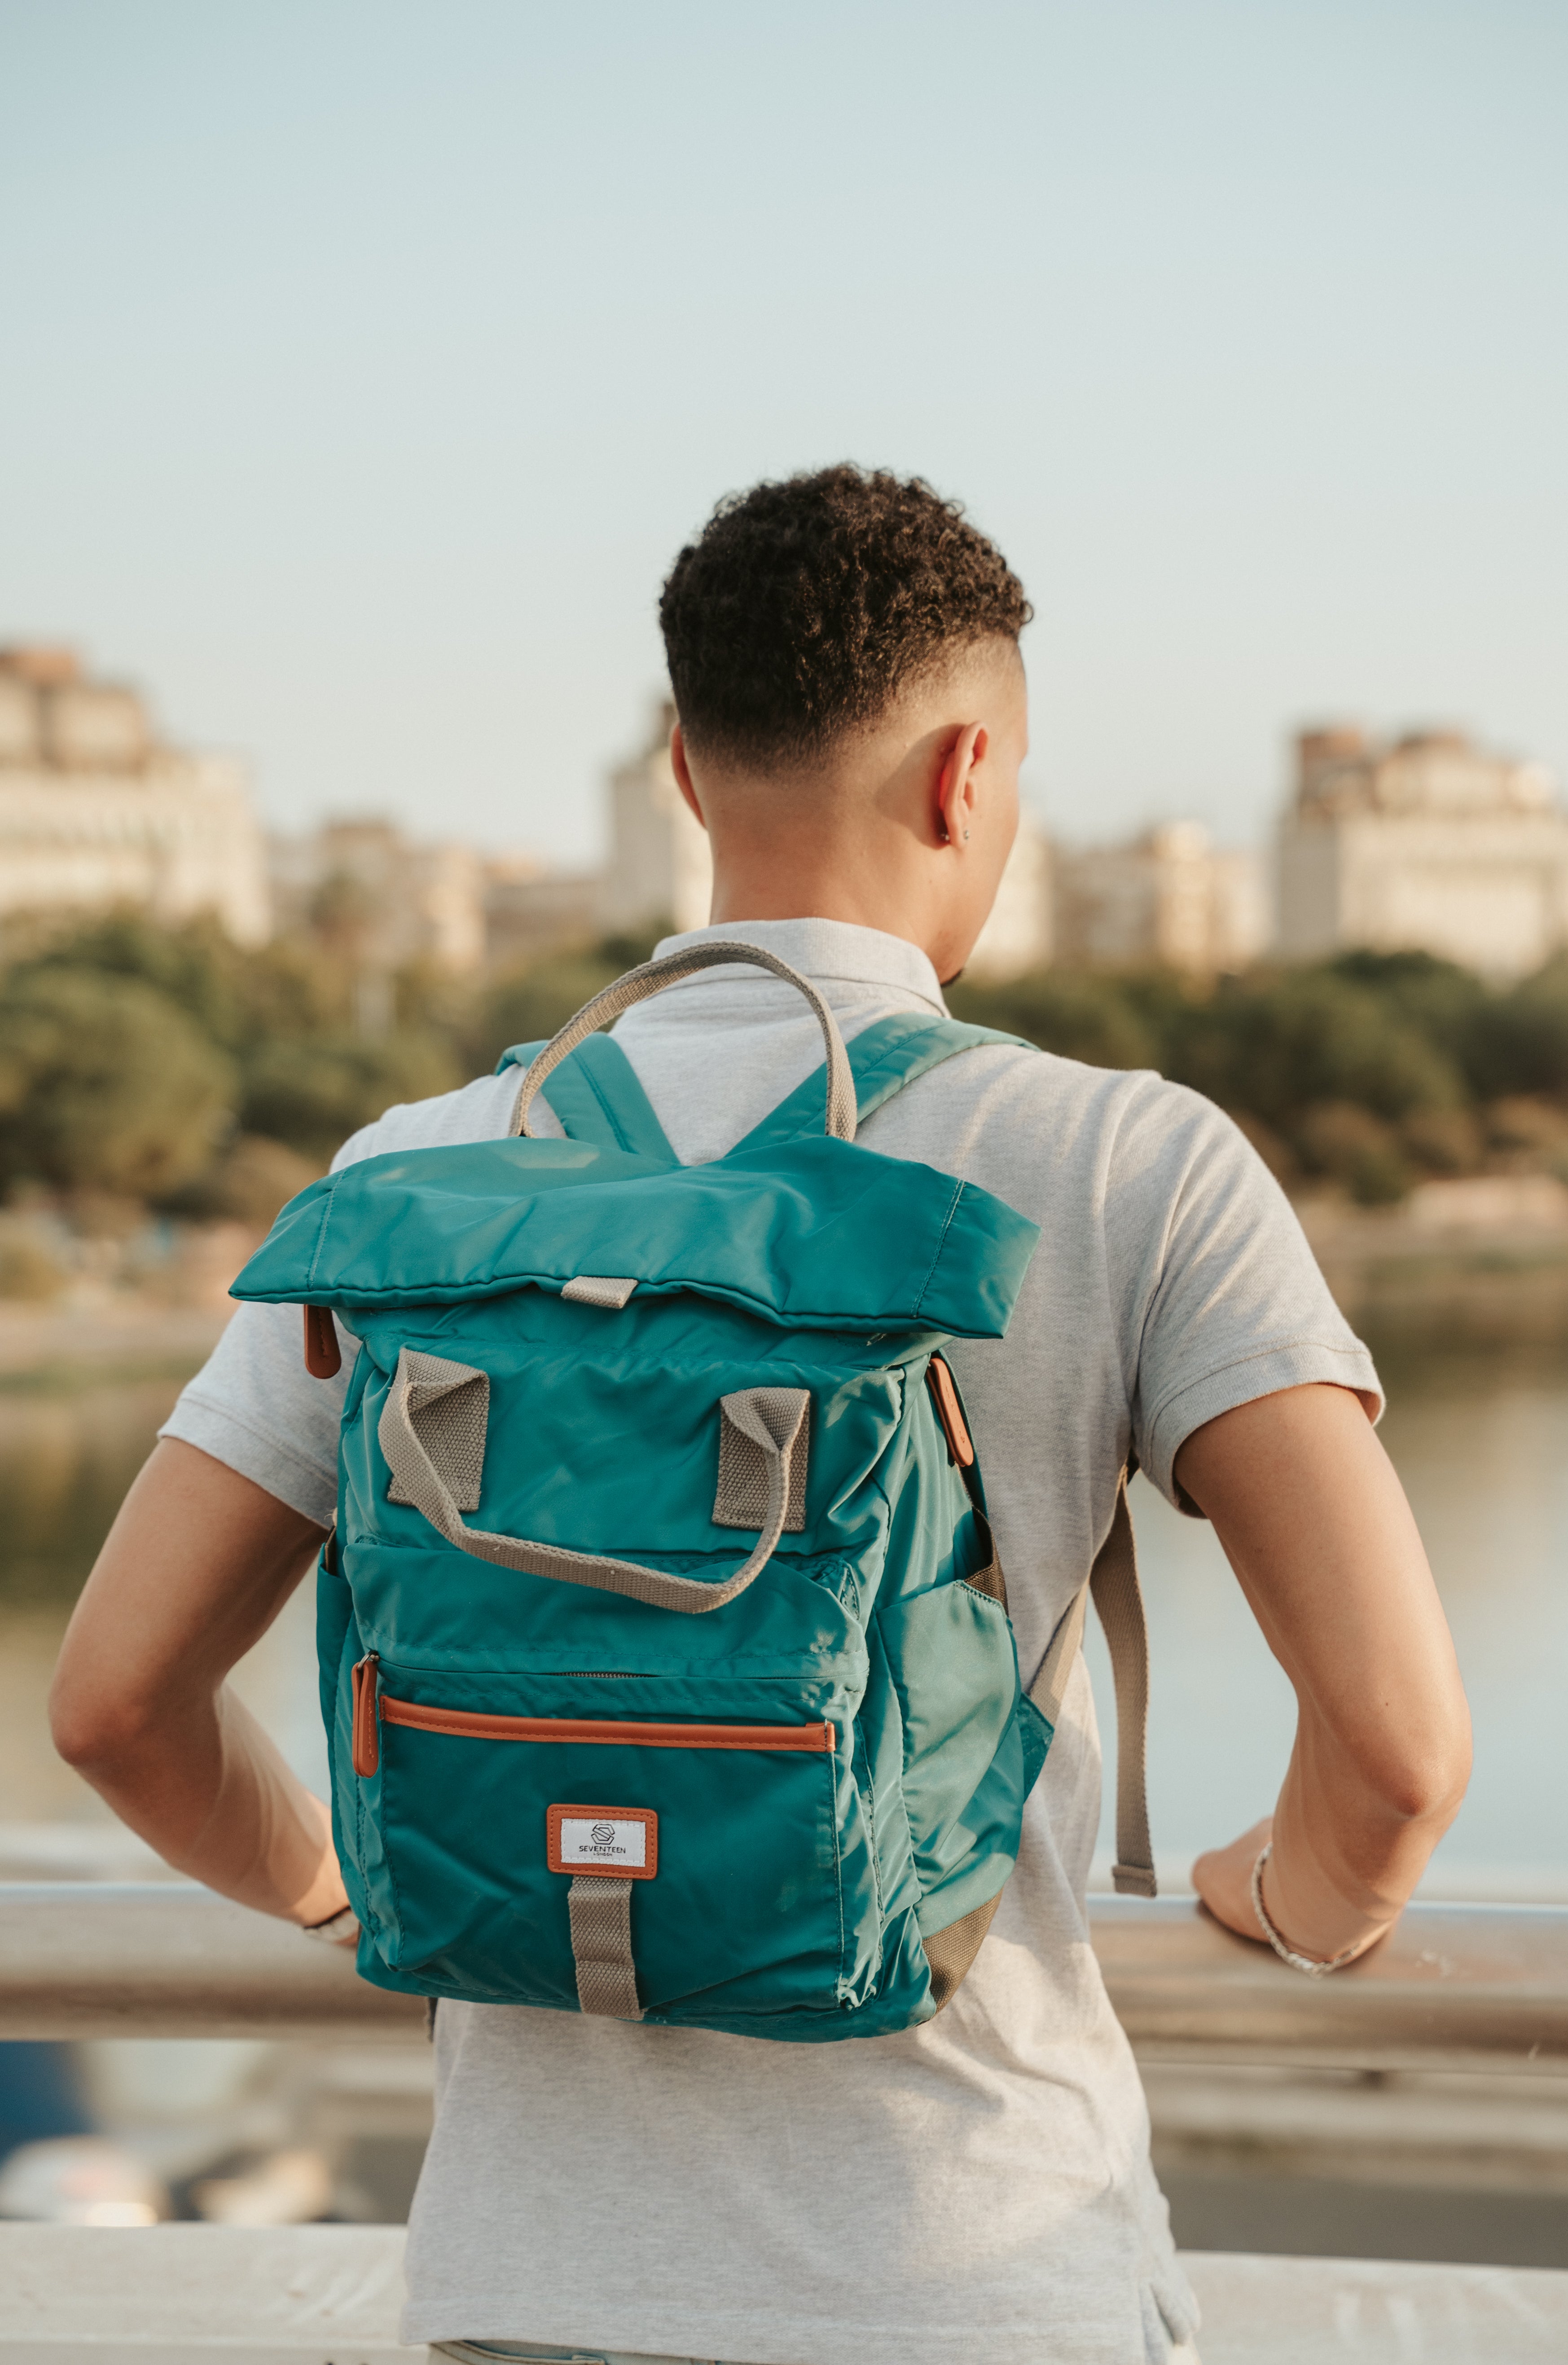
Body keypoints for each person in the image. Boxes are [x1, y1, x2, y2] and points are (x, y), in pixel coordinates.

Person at [50, 466, 1472, 2365]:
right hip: (973, 2284)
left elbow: (117, 1706)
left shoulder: (421, 1172)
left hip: (522, 2301)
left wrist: (359, 1894)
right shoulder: (1125, 1160)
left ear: (683, 777)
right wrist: (1285, 1910)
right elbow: (1390, 1760)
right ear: (970, 777)